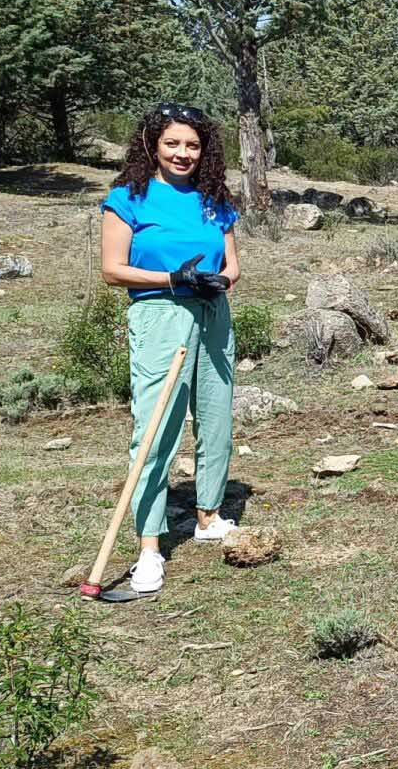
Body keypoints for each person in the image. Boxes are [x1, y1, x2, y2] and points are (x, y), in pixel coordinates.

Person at [98, 103, 242, 595]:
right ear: (151, 146)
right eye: (173, 144)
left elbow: (233, 265)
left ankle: (208, 516)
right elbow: (113, 269)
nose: (183, 154)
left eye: (192, 145)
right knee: (156, 427)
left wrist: (216, 280)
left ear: (206, 152)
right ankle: (149, 549)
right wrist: (172, 278)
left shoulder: (213, 200)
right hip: (160, 314)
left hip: (211, 313)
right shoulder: (129, 198)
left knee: (216, 416)